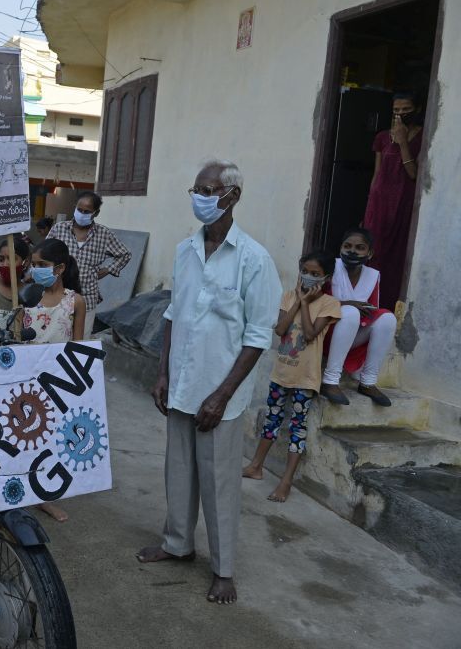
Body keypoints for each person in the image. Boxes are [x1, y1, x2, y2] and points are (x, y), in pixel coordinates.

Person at [137, 159, 280, 605]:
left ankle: (224, 569)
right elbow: (173, 314)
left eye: (207, 190)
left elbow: (257, 338)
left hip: (221, 394)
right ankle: (177, 543)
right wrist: (161, 373)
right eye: (196, 189)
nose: (199, 197)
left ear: (231, 196)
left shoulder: (254, 260)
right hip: (180, 384)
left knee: (219, 484)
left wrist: (221, 394)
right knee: (177, 472)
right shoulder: (185, 250)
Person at [243, 251, 340, 502]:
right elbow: (280, 329)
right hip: (281, 372)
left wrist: (306, 303)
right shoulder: (288, 296)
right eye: (305, 272)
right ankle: (256, 466)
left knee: (297, 428)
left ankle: (285, 482)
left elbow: (309, 334)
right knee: (271, 421)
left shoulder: (330, 304)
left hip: (305, 379)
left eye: (315, 274)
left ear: (326, 278)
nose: (308, 277)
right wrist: (297, 300)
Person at [24, 238, 87, 522]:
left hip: (57, 383)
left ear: (60, 268)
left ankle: (44, 497)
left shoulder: (75, 302)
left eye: (43, 266)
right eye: (33, 265)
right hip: (24, 381)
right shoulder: (25, 297)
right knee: (21, 436)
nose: (36, 270)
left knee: (50, 439)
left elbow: (78, 346)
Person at [320, 228, 397, 407]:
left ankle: (368, 382)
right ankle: (330, 381)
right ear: (340, 248)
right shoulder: (329, 266)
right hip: (322, 331)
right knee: (350, 311)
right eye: (347, 246)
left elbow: (372, 311)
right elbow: (312, 303)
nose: (352, 251)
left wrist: (357, 312)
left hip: (351, 334)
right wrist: (346, 304)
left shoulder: (372, 275)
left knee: (387, 318)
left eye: (359, 247)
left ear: (369, 253)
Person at [362, 91, 423, 309]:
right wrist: (369, 207)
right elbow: (377, 175)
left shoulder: (423, 137)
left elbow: (414, 174)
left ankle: (386, 307)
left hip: (402, 204)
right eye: (396, 110)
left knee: (395, 256)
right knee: (373, 253)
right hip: (379, 204)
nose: (400, 114)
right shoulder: (382, 137)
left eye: (406, 109)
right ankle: (365, 304)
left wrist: (403, 141)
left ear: (416, 110)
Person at [47, 191, 131, 338]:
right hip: (59, 296)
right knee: (56, 337)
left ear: (96, 213)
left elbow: (125, 254)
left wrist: (107, 270)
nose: (82, 214)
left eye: (87, 211)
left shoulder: (104, 234)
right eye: (79, 210)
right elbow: (44, 253)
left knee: (81, 342)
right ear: (75, 207)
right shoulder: (59, 229)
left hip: (87, 298)